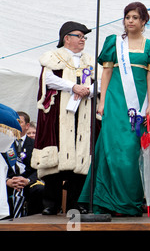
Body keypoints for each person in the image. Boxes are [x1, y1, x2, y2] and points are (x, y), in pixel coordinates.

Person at [78, 2, 150, 216]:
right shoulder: (113, 43)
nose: (130, 21)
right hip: (115, 100)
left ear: (144, 21)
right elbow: (105, 74)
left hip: (139, 104)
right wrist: (102, 100)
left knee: (132, 150)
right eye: (127, 17)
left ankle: (128, 201)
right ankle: (105, 201)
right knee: (110, 147)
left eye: (135, 17)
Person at [32, 21, 98, 215]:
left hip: (84, 113)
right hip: (59, 114)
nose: (83, 40)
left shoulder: (90, 60)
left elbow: (103, 82)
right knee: (56, 157)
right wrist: (73, 87)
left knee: (81, 157)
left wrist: (89, 90)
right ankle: (50, 202)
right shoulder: (53, 57)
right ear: (66, 38)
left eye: (84, 37)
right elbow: (48, 79)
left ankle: (74, 203)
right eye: (79, 36)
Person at [3, 111, 44, 217]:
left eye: (19, 122)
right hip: (8, 182)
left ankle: (33, 221)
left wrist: (27, 180)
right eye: (14, 122)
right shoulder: (3, 144)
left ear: (27, 126)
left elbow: (40, 168)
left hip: (29, 182)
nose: (15, 125)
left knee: (40, 190)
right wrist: (7, 181)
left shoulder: (36, 145)